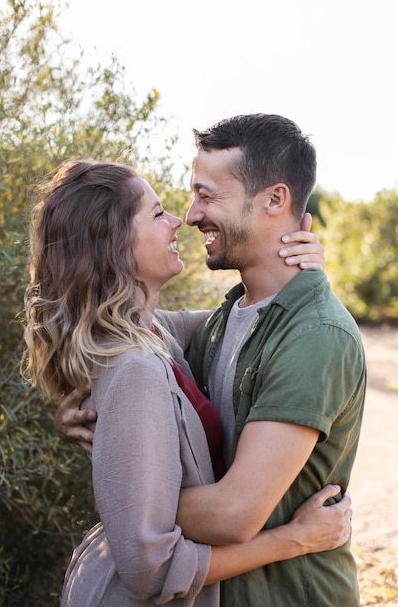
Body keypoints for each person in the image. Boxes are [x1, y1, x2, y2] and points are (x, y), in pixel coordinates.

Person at [56, 113, 366, 606]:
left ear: (274, 200)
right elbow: (122, 331)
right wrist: (111, 443)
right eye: (171, 206)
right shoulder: (220, 322)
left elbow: (232, 514)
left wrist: (132, 499)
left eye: (207, 194)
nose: (190, 214)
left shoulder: (313, 336)